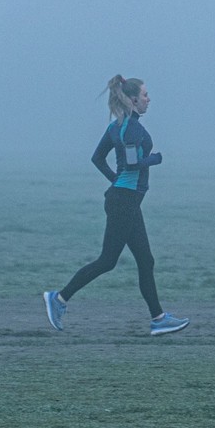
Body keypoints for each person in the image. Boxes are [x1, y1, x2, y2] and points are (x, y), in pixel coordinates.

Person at [44, 75, 189, 336]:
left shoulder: (116, 127)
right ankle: (59, 298)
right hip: (124, 202)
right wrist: (156, 159)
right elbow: (133, 164)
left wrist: (116, 183)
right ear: (133, 99)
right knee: (107, 261)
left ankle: (158, 319)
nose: (149, 99)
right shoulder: (132, 129)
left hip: (124, 200)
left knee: (146, 259)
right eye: (145, 95)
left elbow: (97, 158)